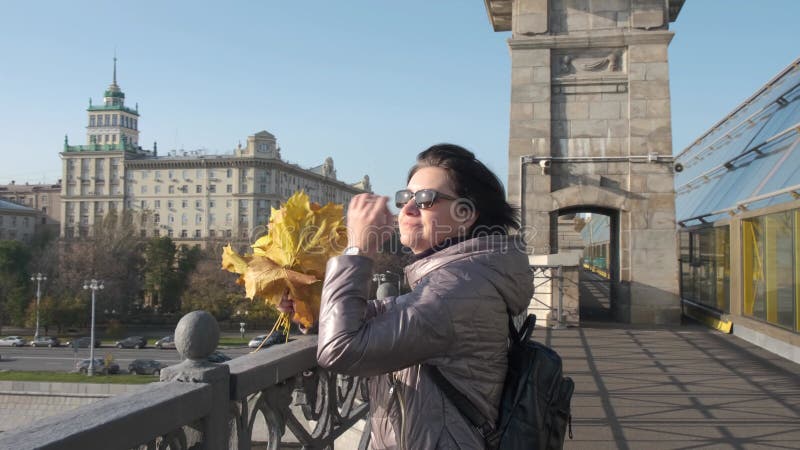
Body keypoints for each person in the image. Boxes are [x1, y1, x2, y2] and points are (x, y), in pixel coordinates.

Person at [307, 144, 533, 449]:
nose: (408, 209)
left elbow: (341, 349)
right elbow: (375, 318)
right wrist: (307, 310)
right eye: (405, 198)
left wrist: (358, 249)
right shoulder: (464, 278)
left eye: (425, 199)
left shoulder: (456, 291)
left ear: (466, 215)